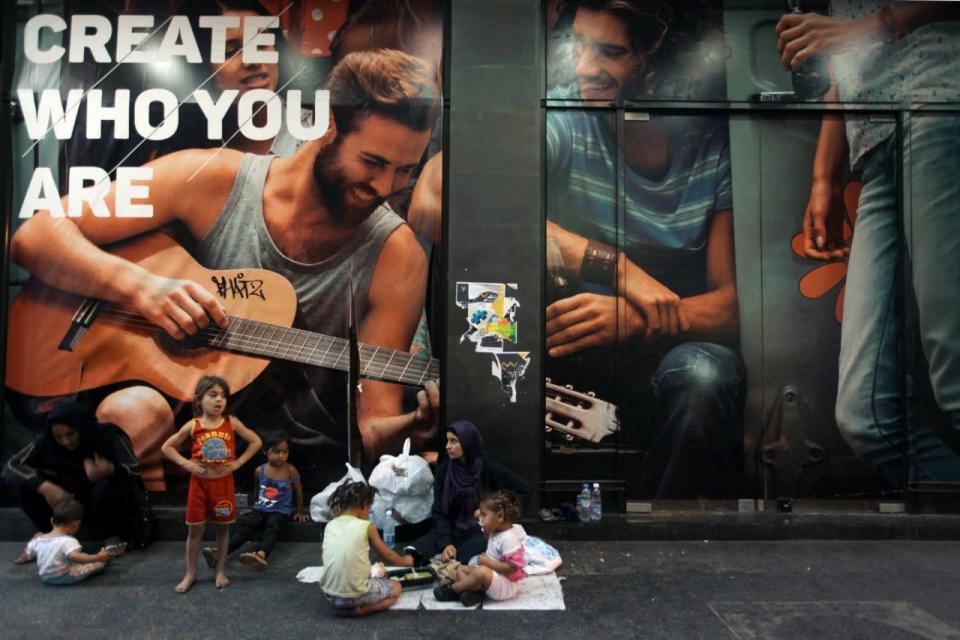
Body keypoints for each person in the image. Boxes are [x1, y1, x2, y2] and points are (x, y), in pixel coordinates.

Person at [10, 48, 442, 490]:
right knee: (135, 410)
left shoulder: (397, 254)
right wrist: (141, 288)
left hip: (282, 463)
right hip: (163, 421)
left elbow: (373, 428)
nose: (386, 188)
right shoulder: (210, 179)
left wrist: (414, 425)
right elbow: (36, 237)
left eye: (405, 170)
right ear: (328, 123)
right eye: (373, 162)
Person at [545, 0, 744, 498]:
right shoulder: (564, 116)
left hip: (675, 348)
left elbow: (733, 308)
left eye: (610, 53)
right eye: (579, 46)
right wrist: (616, 267)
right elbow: (466, 201)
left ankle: (669, 543)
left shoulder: (713, 148)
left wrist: (634, 318)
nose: (585, 68)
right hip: (576, 344)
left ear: (657, 66)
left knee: (702, 377)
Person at [777, 3, 960, 487]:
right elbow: (847, 66)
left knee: (955, 371)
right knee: (866, 414)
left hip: (940, 109)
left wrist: (863, 26)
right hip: (876, 145)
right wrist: (824, 177)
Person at [4, 401, 146, 561]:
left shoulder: (108, 435)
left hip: (109, 506)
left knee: (106, 486)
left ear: (82, 428)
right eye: (59, 437)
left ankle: (111, 538)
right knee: (25, 483)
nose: (66, 441)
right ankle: (48, 536)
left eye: (71, 434)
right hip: (70, 501)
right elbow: (11, 467)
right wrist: (46, 487)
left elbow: (134, 469)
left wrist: (111, 470)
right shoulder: (47, 442)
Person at [161, 375, 263, 592]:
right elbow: (167, 447)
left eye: (223, 396)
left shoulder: (231, 422)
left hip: (222, 485)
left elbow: (256, 441)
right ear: (199, 400)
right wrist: (186, 464)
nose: (219, 400)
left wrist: (238, 463)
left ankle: (220, 570)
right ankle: (190, 573)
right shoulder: (193, 425)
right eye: (213, 395)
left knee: (222, 529)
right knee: (195, 530)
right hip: (198, 486)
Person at [406, 420, 531, 565]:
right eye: (447, 441)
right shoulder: (444, 471)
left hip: (478, 530)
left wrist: (495, 510)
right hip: (450, 529)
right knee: (414, 555)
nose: (448, 446)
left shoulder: (487, 468)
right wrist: (446, 543)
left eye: (454, 441)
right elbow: (439, 511)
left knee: (462, 560)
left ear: (468, 443)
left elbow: (524, 490)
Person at [201, 432, 308, 571]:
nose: (281, 456)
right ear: (265, 451)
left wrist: (299, 510)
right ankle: (219, 553)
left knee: (272, 527)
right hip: (261, 507)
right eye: (276, 452)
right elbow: (257, 489)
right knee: (247, 527)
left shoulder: (291, 470)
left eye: (284, 452)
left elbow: (298, 491)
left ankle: (260, 555)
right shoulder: (260, 470)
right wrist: (254, 506)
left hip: (281, 510)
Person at [319, 481, 415, 617]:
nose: (369, 512)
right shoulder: (366, 526)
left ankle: (346, 603)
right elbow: (387, 555)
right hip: (354, 597)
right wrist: (405, 562)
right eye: (370, 508)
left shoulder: (330, 525)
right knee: (396, 587)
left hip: (330, 595)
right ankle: (359, 610)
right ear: (364, 506)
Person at [432, 490, 527, 607]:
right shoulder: (495, 528)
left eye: (484, 515)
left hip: (505, 584)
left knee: (480, 573)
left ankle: (454, 589)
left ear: (500, 516)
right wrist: (481, 512)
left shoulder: (508, 538)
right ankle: (473, 593)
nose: (480, 518)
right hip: (492, 576)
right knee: (460, 569)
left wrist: (489, 563)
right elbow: (482, 517)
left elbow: (512, 568)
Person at [20, 499, 114, 586]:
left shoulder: (40, 539)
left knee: (77, 555)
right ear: (75, 525)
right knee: (96, 564)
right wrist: (98, 557)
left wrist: (26, 556)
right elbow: (75, 557)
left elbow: (29, 550)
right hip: (64, 576)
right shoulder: (68, 541)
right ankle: (101, 562)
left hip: (45, 576)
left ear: (52, 520)